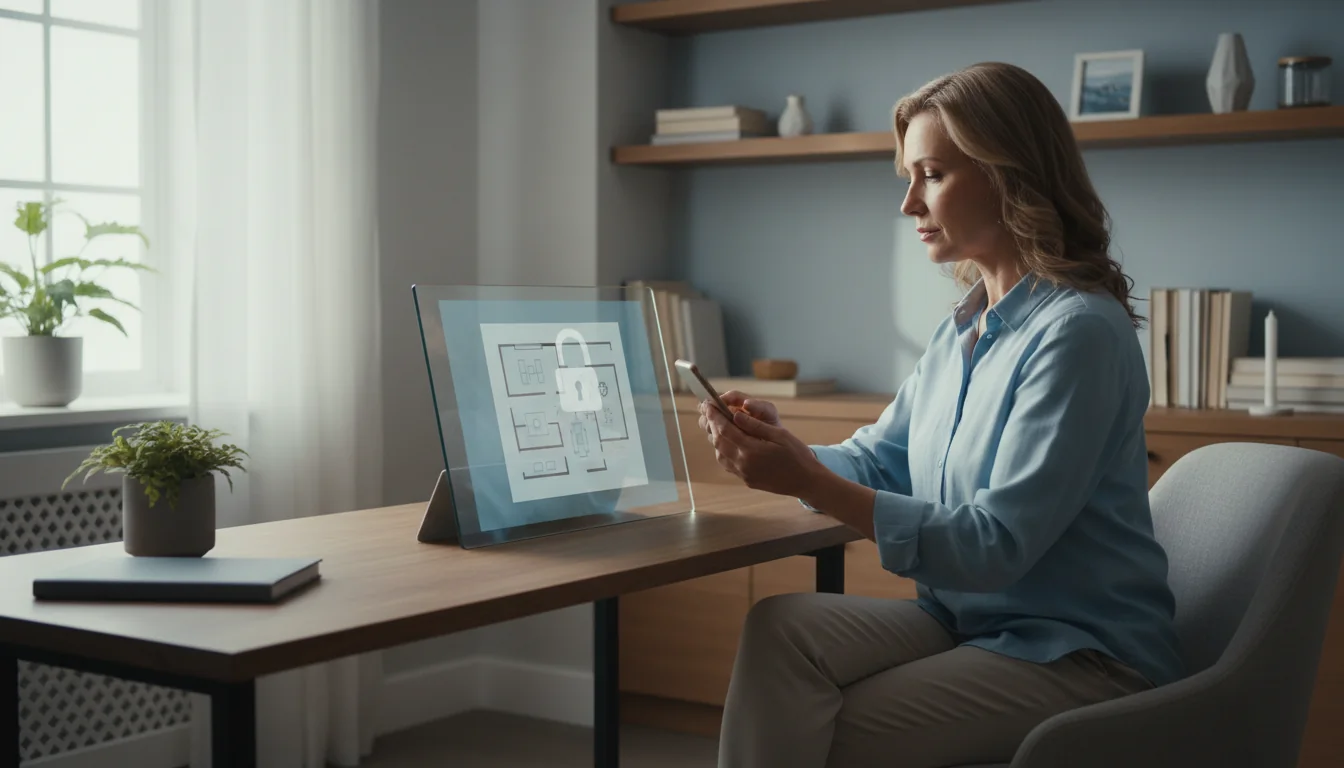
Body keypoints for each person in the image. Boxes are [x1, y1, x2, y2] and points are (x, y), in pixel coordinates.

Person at [697, 61, 1185, 768]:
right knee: (782, 629)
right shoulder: (967, 328)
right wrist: (783, 450)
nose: (909, 205)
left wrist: (808, 478)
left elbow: (994, 545)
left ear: (1007, 174)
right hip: (967, 623)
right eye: (908, 178)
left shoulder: (1078, 333)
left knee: (819, 727)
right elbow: (876, 459)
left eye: (930, 175)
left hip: (1080, 656)